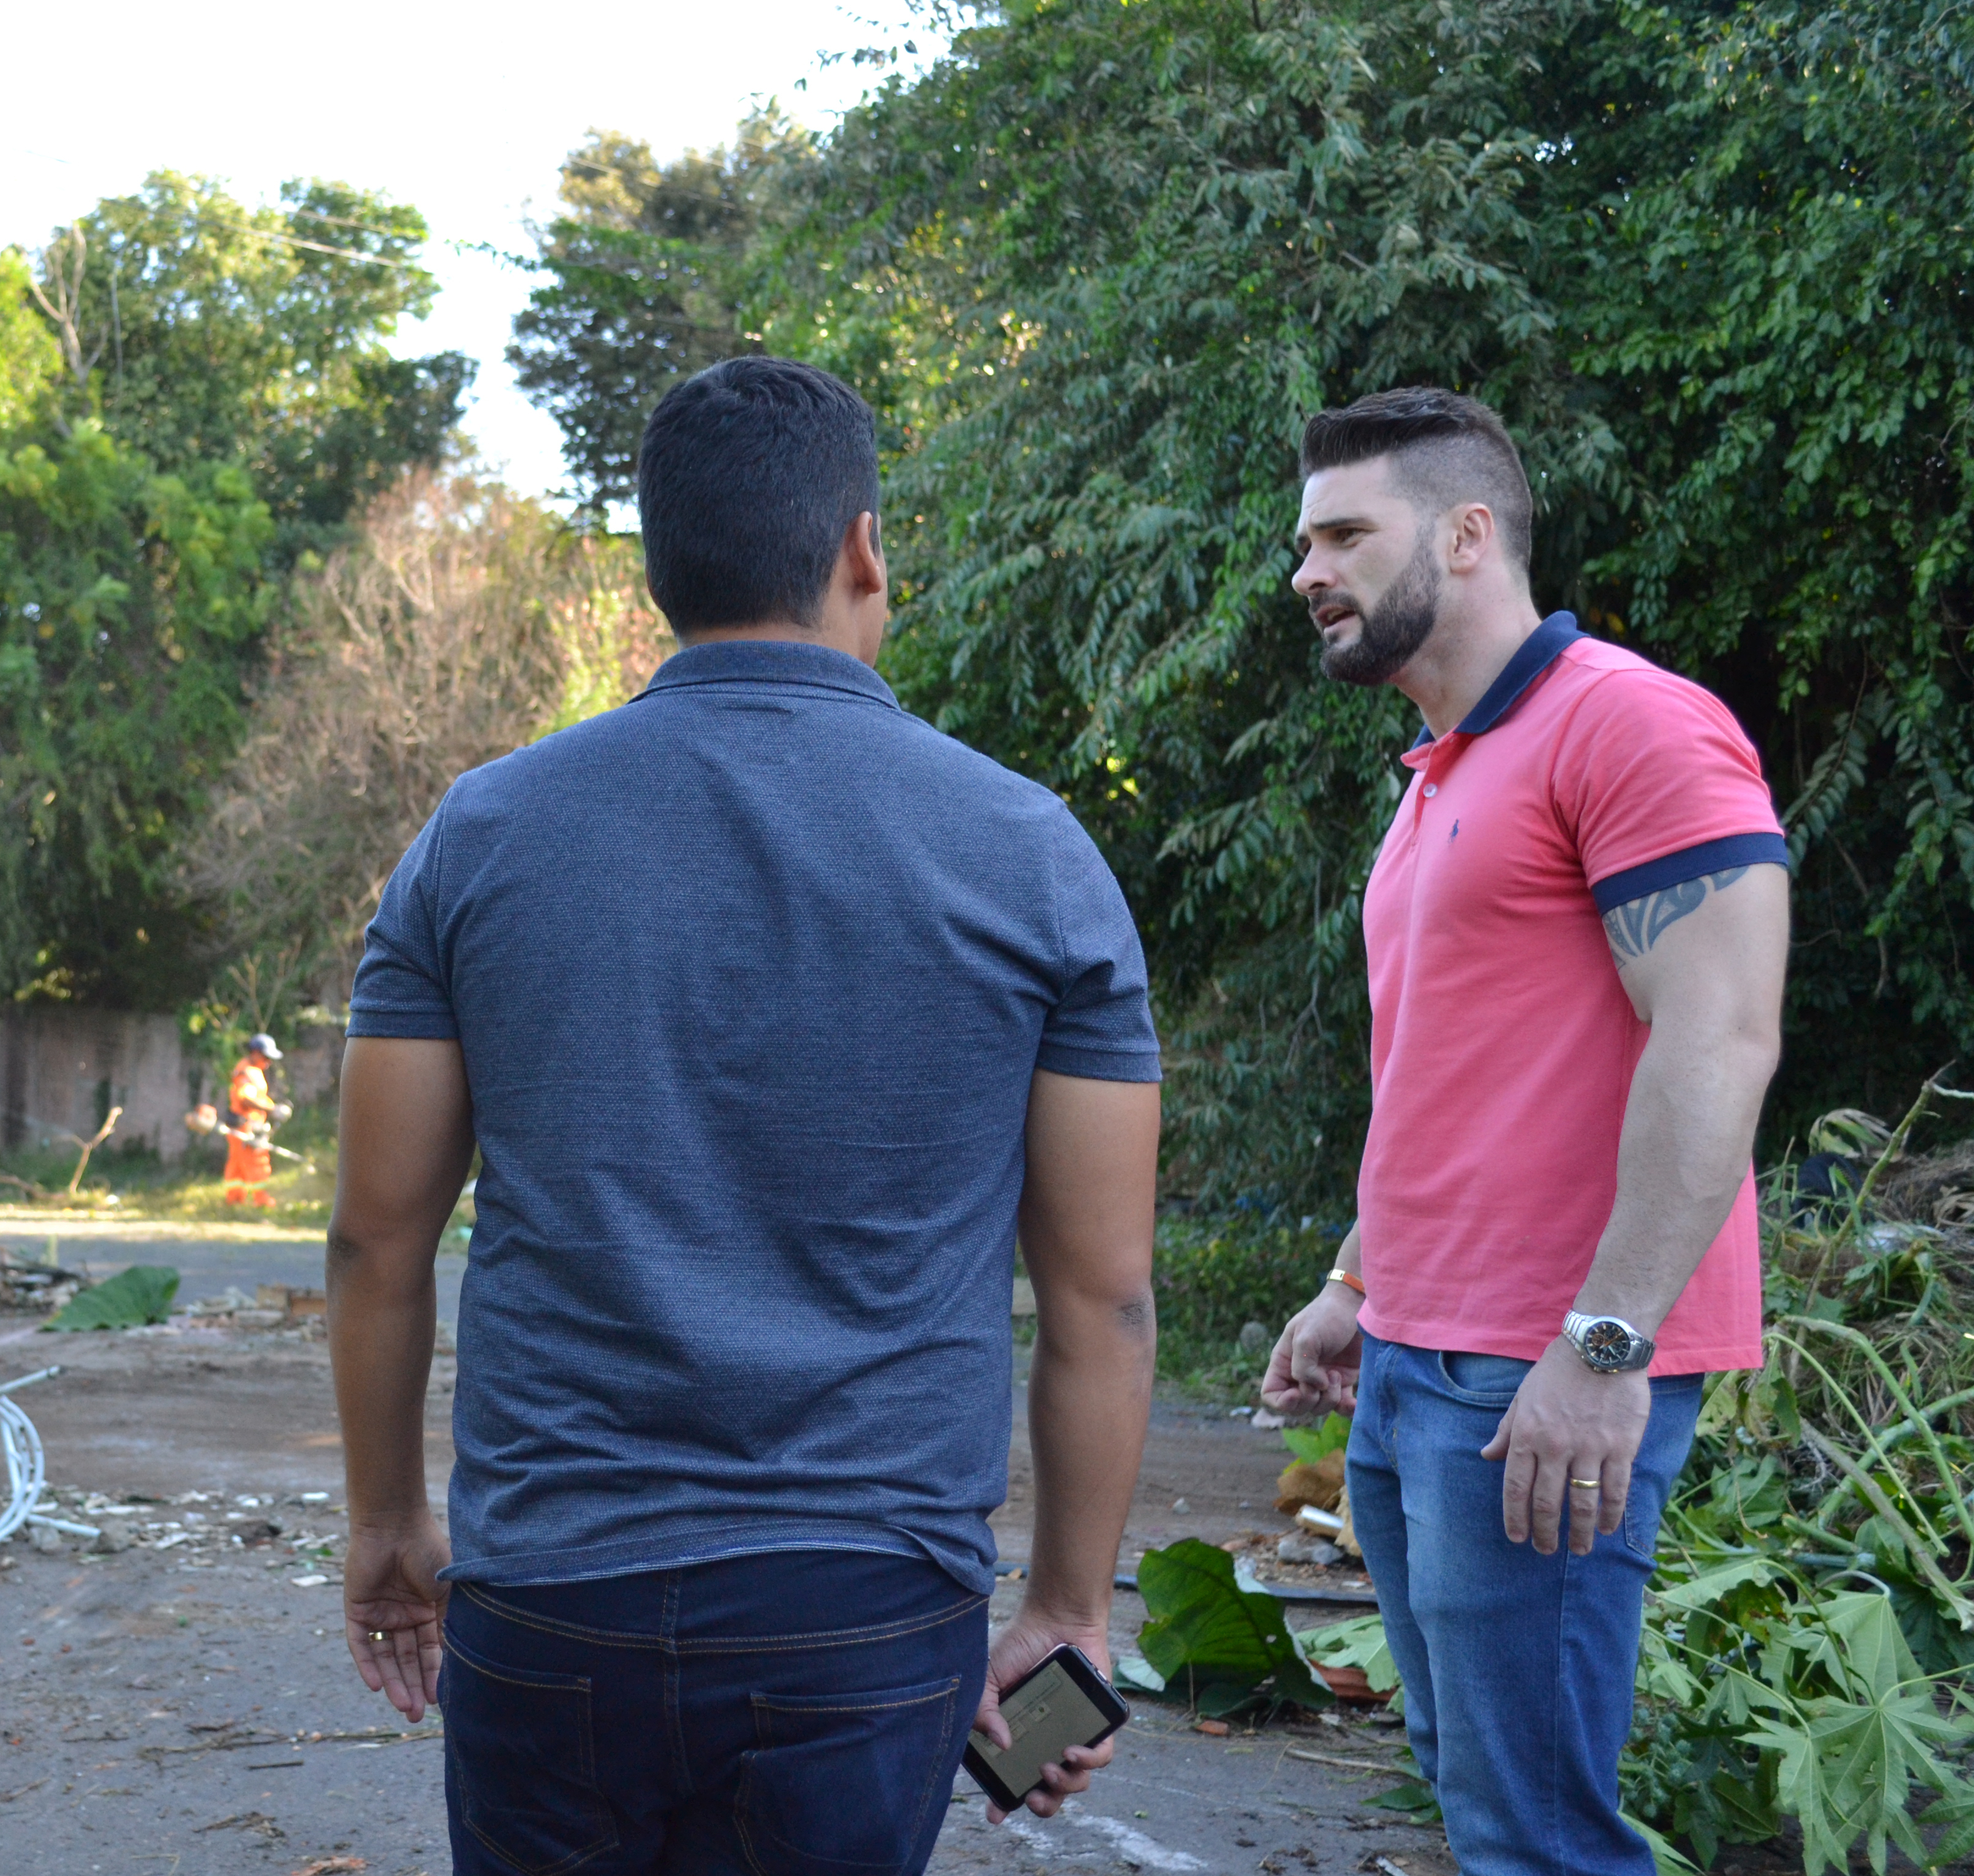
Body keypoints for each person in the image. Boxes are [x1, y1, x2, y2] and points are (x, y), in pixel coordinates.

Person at [328, 355, 1165, 1875]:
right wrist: (1066, 1612)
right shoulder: (1029, 850)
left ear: (661, 567)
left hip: (548, 1588)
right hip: (866, 1604)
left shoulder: (484, 832)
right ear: (861, 547)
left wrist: (387, 1526)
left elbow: (374, 1237)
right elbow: (1100, 1296)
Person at [1260, 388, 1788, 1876]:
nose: (1308, 571)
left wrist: (1605, 1343)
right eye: (1305, 540)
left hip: (1544, 1366)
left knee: (1533, 1830)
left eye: (1345, 532)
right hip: (1418, 1357)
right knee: (1468, 1785)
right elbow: (1448, 1072)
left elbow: (1722, 1031)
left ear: (1470, 532)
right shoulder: (1440, 771)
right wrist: (1357, 1285)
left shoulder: (1625, 721)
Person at [224, 1033, 289, 1207]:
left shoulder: (255, 1071)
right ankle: (262, 1202)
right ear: (255, 1053)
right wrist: (273, 1109)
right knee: (257, 1162)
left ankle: (234, 1201)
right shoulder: (247, 1072)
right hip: (245, 1126)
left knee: (237, 1165)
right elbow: (245, 1099)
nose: (269, 1062)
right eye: (266, 1057)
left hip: (245, 1125)